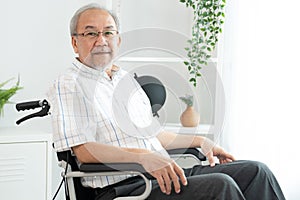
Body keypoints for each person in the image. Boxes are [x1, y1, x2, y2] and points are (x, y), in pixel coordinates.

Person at [47, 3, 286, 200]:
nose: (101, 40)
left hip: (162, 176)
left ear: (118, 40)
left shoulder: (123, 79)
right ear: (75, 42)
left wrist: (200, 141)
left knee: (256, 172)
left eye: (108, 32)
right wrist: (142, 157)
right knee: (220, 186)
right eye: (91, 33)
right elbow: (85, 151)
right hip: (124, 186)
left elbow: (154, 136)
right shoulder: (69, 83)